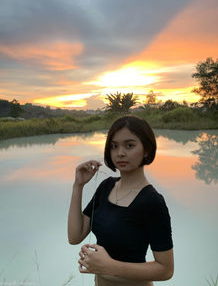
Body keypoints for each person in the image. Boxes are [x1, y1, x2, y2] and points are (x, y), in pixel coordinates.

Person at [67, 115, 174, 285]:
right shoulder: (106, 187)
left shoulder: (152, 202)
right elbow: (75, 236)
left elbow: (166, 269)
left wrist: (110, 266)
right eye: (114, 146)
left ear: (146, 149)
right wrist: (78, 185)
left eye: (129, 145)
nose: (120, 153)